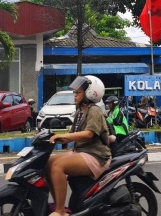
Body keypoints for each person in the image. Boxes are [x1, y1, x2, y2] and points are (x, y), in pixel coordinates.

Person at [46, 75, 112, 216]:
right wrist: (54, 138)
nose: (74, 95)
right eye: (74, 92)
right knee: (48, 162)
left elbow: (89, 134)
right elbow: (73, 135)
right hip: (81, 152)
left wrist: (66, 136)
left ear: (89, 93)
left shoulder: (94, 110)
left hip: (96, 155)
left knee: (58, 166)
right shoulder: (80, 112)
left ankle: (60, 211)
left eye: (78, 92)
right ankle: (59, 204)